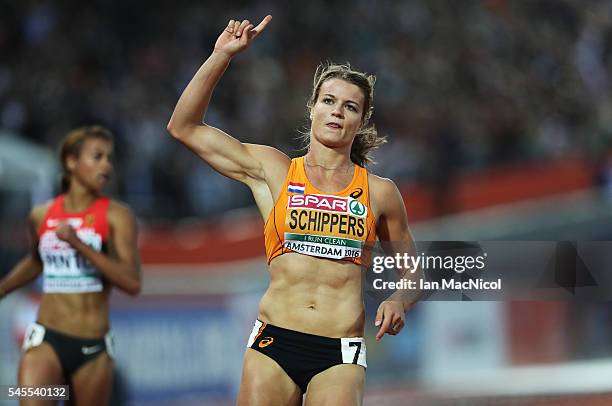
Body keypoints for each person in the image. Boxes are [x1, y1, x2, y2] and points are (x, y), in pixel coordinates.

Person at [167, 16, 420, 406]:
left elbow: (413, 271)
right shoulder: (275, 170)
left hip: (340, 351)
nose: (337, 112)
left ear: (361, 120)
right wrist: (221, 56)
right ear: (312, 108)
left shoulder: (380, 193)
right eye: (329, 101)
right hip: (275, 341)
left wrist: (398, 300)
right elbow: (184, 126)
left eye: (350, 106)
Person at [0, 125, 141, 406]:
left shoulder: (117, 217)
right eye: (97, 156)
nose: (106, 165)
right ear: (72, 162)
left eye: (108, 158)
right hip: (45, 339)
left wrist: (79, 244)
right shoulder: (41, 216)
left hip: (91, 346)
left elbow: (131, 282)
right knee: (28, 398)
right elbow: (36, 261)